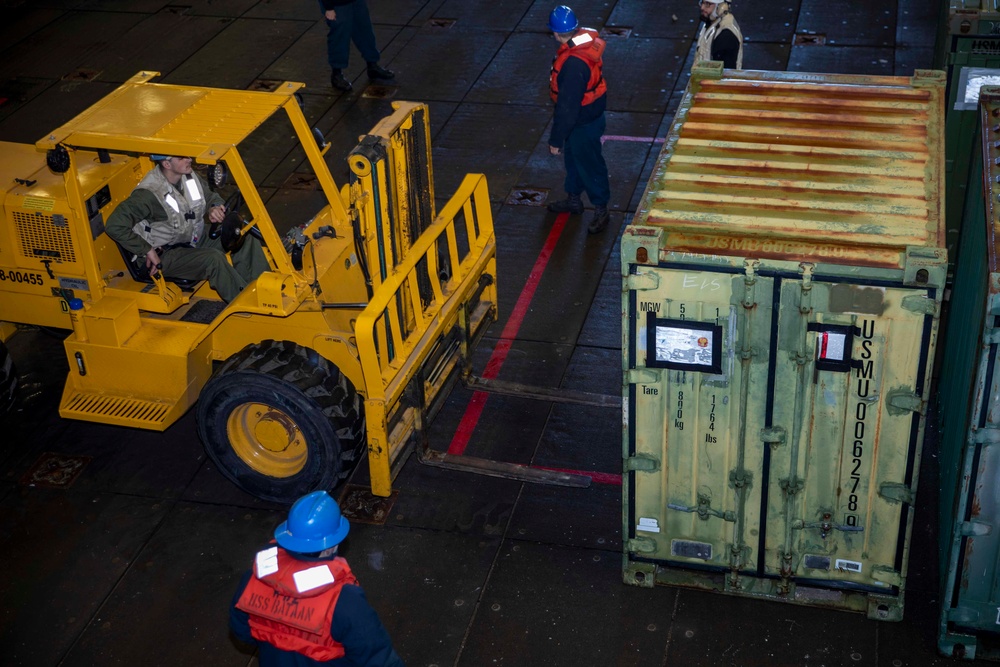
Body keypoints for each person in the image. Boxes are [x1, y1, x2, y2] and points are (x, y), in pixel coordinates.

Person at [230, 491, 405, 667]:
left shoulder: (254, 578)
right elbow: (377, 659)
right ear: (332, 545)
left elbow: (242, 631)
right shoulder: (345, 601)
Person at [105, 155, 269, 303]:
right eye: (182, 158)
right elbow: (114, 225)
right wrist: (147, 250)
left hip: (190, 238)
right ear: (167, 163)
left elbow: (210, 196)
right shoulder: (148, 195)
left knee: (242, 234)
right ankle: (246, 304)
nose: (189, 159)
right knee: (213, 259)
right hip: (164, 254)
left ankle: (265, 290)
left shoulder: (188, 177)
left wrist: (213, 208)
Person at [545, 5, 612, 235]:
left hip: (583, 122)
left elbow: (567, 108)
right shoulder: (582, 42)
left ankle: (601, 208)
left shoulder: (573, 64)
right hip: (586, 117)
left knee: (590, 164)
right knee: (574, 160)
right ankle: (574, 199)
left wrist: (556, 139)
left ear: (555, 33)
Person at [321, 0, 396, 92]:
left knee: (364, 29)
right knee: (340, 36)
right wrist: (329, 8)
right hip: (337, 4)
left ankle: (372, 65)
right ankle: (336, 74)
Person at [695, 0, 743, 69]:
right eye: (702, 2)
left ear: (721, 7)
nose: (702, 7)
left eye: (707, 4)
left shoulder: (726, 36)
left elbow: (724, 74)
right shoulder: (712, 23)